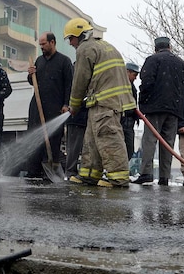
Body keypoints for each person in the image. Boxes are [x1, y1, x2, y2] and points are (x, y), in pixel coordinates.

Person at [64, 18, 135, 188]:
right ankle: (89, 175)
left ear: (77, 35)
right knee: (92, 140)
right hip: (105, 103)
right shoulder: (106, 46)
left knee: (109, 138)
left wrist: (73, 105)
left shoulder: (85, 48)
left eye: (70, 39)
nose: (71, 43)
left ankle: (118, 178)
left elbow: (80, 80)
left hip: (105, 102)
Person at [133, 37, 184, 186]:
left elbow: (146, 82)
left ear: (156, 48)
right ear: (170, 47)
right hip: (174, 110)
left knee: (150, 141)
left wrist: (142, 104)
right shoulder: (180, 62)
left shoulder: (152, 60)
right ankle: (164, 177)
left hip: (155, 108)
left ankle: (146, 173)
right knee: (168, 144)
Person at [25, 32, 74, 179]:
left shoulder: (64, 61)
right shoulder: (39, 61)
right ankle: (33, 170)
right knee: (34, 138)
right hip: (37, 107)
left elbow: (69, 85)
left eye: (44, 44)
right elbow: (32, 82)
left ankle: (50, 169)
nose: (41, 47)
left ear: (52, 42)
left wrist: (66, 104)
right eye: (40, 44)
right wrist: (30, 74)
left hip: (55, 107)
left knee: (53, 139)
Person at [121, 62, 140, 159]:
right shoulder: (120, 87)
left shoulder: (132, 88)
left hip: (129, 124)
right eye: (134, 75)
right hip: (122, 123)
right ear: (127, 72)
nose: (135, 78)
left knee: (129, 150)